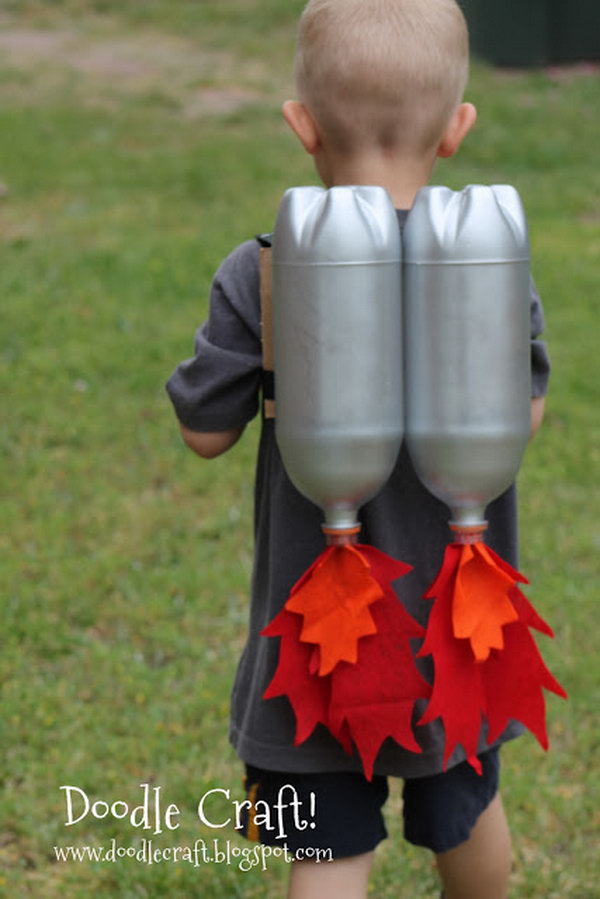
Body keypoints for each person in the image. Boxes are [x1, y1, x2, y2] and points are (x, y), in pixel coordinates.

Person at [166, 1, 550, 896]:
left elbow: (204, 432)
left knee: (328, 852)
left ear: (302, 127)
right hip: (456, 629)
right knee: (465, 810)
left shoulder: (263, 268)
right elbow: (523, 421)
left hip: (322, 642)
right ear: (458, 130)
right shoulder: (489, 253)